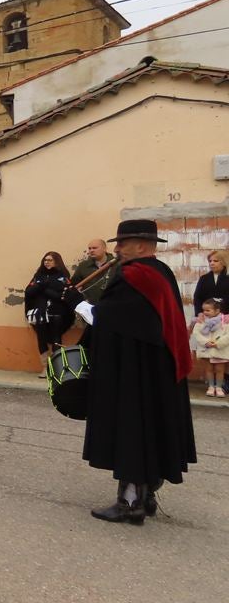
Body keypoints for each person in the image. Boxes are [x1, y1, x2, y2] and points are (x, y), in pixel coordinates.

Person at [61, 219, 196, 525]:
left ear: (143, 245)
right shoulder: (161, 272)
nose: (117, 249)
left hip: (136, 373)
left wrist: (77, 303)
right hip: (156, 368)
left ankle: (130, 503)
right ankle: (144, 495)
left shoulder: (135, 277)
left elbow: (109, 320)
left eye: (123, 243)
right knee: (147, 428)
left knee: (132, 429)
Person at [23, 252, 74, 376]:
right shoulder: (38, 276)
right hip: (40, 314)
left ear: (57, 261)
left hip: (57, 313)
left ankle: (55, 368)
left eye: (50, 260)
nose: (47, 262)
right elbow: (29, 292)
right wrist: (42, 285)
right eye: (45, 260)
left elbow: (64, 295)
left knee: (56, 339)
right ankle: (45, 367)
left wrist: (43, 289)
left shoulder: (63, 277)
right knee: (41, 338)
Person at [192, 298, 228, 397]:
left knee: (220, 370)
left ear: (217, 310)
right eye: (204, 310)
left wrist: (218, 343)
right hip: (207, 349)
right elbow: (197, 333)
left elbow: (227, 334)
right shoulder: (201, 321)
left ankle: (219, 387)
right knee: (209, 369)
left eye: (208, 310)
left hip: (219, 349)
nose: (205, 312)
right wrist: (206, 342)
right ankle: (211, 387)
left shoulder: (225, 321)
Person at [70, 239, 116, 305]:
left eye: (95, 248)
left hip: (111, 306)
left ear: (104, 249)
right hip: (90, 307)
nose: (91, 250)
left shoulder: (116, 264)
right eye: (90, 248)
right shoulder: (83, 266)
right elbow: (74, 284)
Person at [192, 249, 227, 316]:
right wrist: (199, 313)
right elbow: (197, 298)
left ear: (223, 262)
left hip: (226, 317)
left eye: (215, 261)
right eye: (210, 261)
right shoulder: (203, 279)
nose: (212, 263)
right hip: (206, 316)